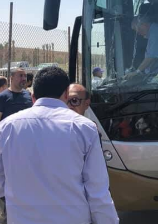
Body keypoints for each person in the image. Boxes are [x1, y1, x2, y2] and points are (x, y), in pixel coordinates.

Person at [0, 67, 119, 224]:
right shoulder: (85, 128)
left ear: (33, 96)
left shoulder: (6, 127)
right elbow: (97, 190)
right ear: (66, 94)